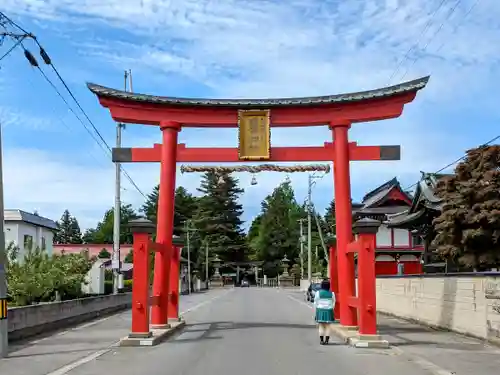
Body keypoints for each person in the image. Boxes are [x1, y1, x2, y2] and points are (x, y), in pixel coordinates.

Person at [313, 278, 336, 345]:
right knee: (328, 326)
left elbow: (315, 303)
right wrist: (331, 309)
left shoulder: (318, 293)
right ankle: (327, 340)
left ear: (321, 285)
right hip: (329, 310)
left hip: (320, 310)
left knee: (321, 326)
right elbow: (333, 302)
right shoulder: (332, 294)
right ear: (329, 286)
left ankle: (321, 340)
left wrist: (316, 311)